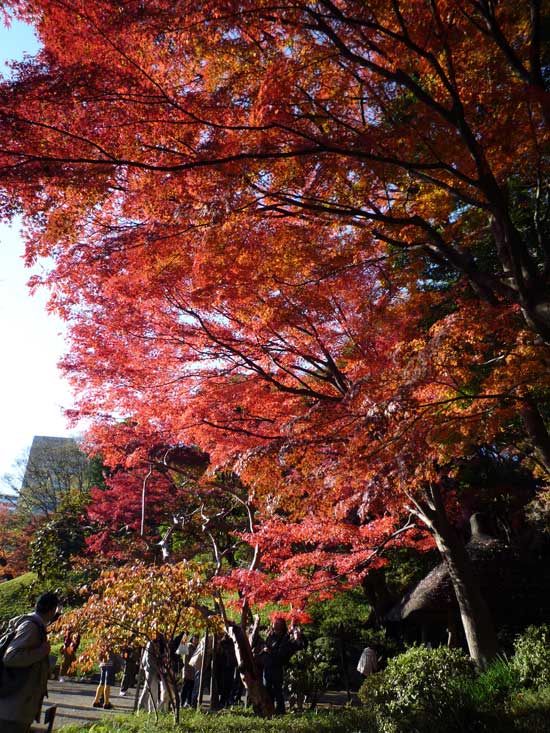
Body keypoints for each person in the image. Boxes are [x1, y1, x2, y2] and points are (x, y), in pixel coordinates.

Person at [0, 590, 59, 733]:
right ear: (52, 611)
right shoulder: (31, 627)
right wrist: (41, 652)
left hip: (16, 707)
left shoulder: (34, 626)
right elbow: (11, 657)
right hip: (12, 709)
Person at [259, 618, 306, 715]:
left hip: (276, 667)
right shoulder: (271, 636)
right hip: (267, 666)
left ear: (281, 625)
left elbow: (283, 653)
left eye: (277, 623)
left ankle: (280, 711)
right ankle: (270, 710)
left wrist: (270, 651)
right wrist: (264, 649)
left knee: (277, 690)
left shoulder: (284, 638)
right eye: (274, 622)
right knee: (267, 690)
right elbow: (265, 645)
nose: (274, 624)